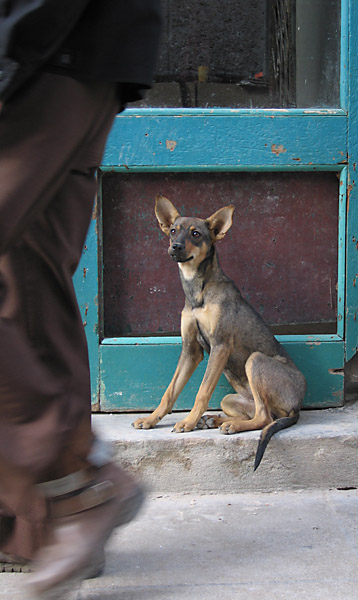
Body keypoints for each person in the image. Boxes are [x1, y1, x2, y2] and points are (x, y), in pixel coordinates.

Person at [0, 1, 161, 597]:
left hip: (42, 49)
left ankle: (76, 486)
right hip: (77, 50)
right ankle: (31, 525)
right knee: (27, 280)